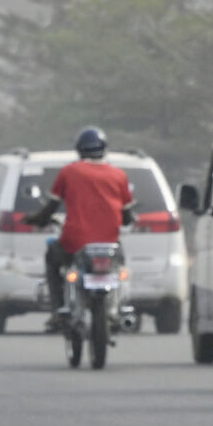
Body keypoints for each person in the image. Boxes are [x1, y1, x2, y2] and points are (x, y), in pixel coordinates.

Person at [35, 127, 134, 324]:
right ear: (104, 149)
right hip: (109, 243)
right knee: (119, 264)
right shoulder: (119, 175)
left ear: (79, 150)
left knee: (52, 256)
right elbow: (127, 216)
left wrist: (36, 219)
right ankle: (118, 306)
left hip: (75, 241)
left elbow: (51, 207)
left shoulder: (69, 172)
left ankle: (57, 310)